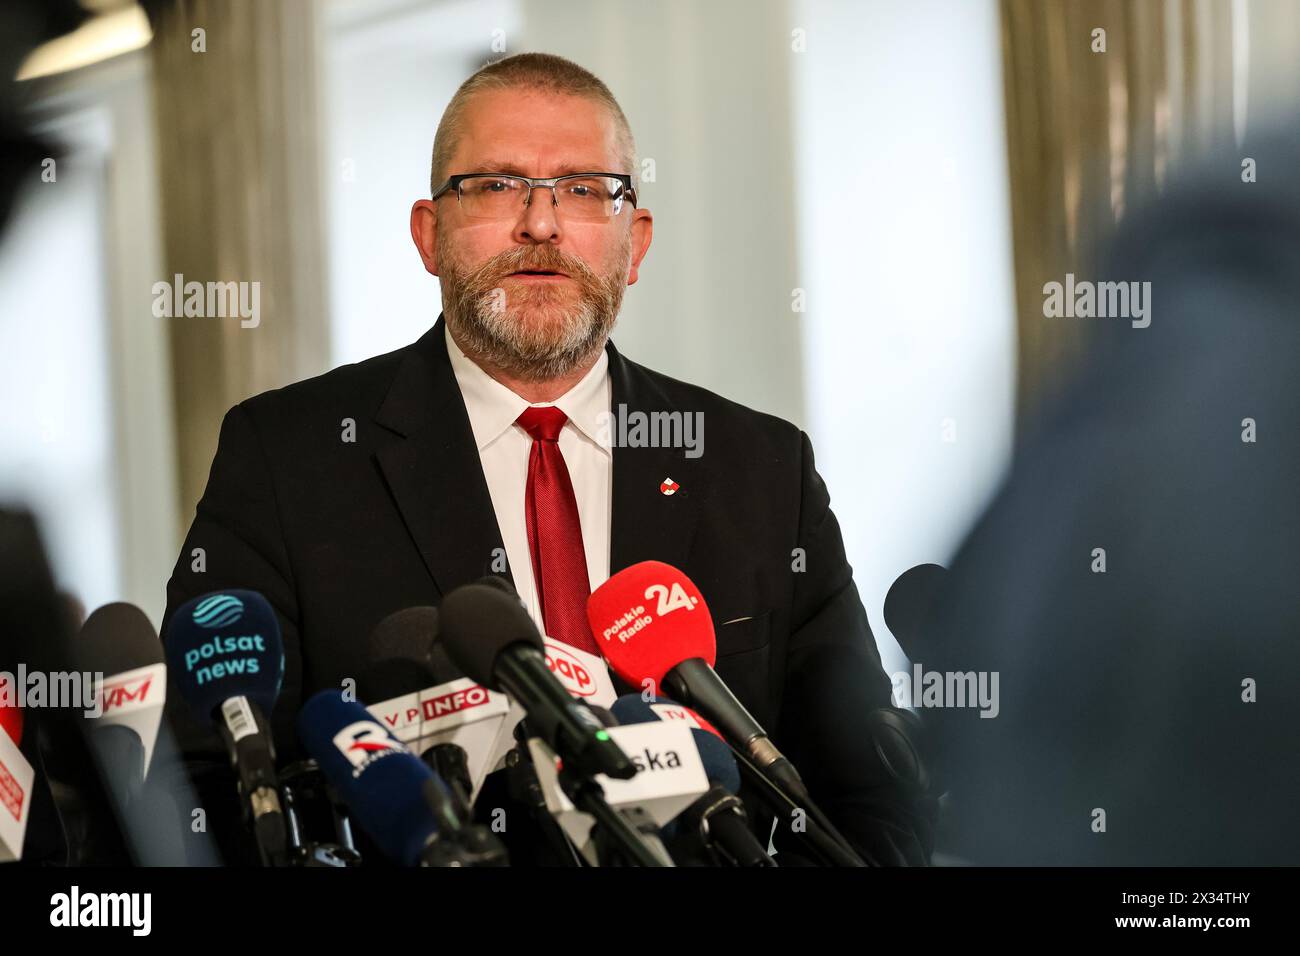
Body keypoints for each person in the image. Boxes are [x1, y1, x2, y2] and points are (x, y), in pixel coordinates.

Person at [162, 52, 934, 866]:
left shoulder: (762, 469)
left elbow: (869, 803)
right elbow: (206, 790)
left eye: (584, 189)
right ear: (429, 235)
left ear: (634, 243)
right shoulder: (289, 458)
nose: (541, 223)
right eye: (495, 185)